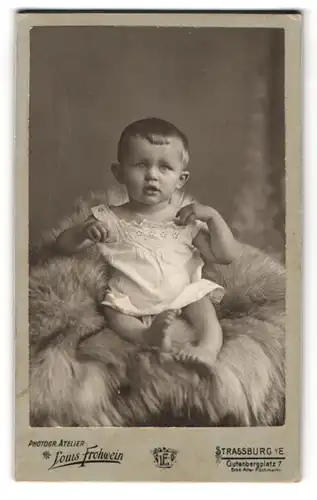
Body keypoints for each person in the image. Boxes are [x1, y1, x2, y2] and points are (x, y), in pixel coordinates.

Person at [56, 117, 240, 366]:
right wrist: (83, 232)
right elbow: (62, 246)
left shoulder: (184, 220)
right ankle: (146, 336)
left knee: (203, 305)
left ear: (180, 179)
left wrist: (213, 218)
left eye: (165, 167)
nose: (152, 175)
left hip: (181, 297)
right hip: (131, 298)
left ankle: (207, 349)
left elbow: (226, 255)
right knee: (114, 311)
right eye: (141, 165)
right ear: (119, 173)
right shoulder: (108, 217)